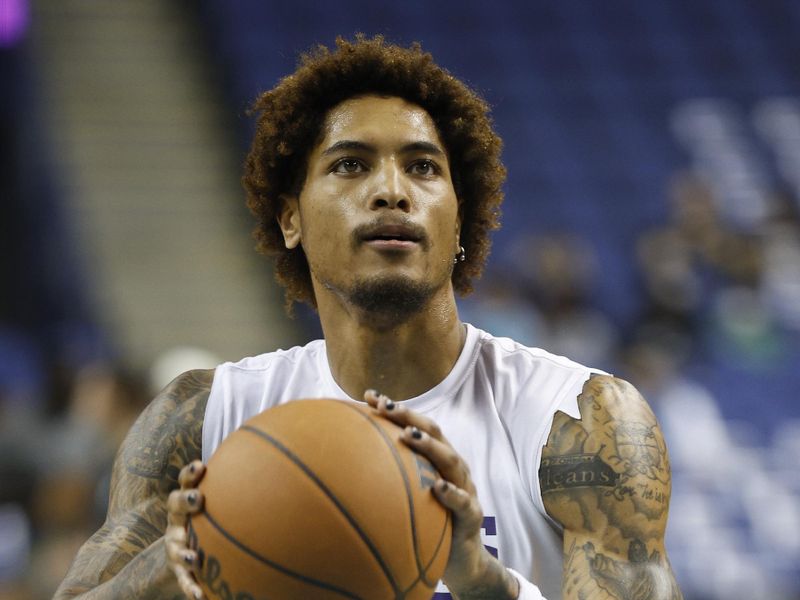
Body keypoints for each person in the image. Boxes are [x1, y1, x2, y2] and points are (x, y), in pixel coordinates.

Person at [54, 36, 682, 600]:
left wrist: (483, 582)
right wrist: (162, 572)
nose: (392, 190)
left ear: (459, 220)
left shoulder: (578, 417)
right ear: (289, 218)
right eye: (350, 164)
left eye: (423, 167)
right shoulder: (200, 418)